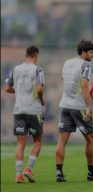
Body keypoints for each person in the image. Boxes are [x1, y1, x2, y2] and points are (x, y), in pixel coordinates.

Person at [55, 39, 93, 182]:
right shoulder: (86, 64)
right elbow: (84, 85)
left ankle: (59, 172)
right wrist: (88, 107)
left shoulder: (67, 62)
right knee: (91, 139)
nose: (92, 55)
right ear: (83, 53)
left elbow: (63, 78)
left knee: (62, 141)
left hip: (65, 106)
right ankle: (91, 173)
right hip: (79, 107)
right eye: (91, 52)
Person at [5, 45, 45, 183]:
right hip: (33, 110)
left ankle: (18, 175)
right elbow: (39, 89)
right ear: (35, 56)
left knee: (21, 143)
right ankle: (28, 169)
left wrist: (21, 92)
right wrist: (42, 100)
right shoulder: (37, 69)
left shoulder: (15, 69)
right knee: (38, 141)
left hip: (18, 110)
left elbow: (8, 88)